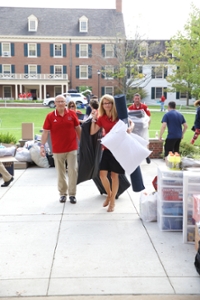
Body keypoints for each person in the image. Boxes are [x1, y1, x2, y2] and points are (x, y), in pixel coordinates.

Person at [90, 94, 133, 213]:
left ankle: (112, 201)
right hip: (107, 149)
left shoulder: (119, 116)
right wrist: (94, 119)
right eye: (104, 103)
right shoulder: (102, 117)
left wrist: (130, 129)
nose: (107, 105)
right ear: (102, 105)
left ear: (113, 104)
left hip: (119, 149)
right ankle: (109, 195)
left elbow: (130, 122)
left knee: (115, 176)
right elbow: (93, 131)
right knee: (102, 175)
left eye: (109, 103)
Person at [40, 95, 81, 204]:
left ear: (65, 103)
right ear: (55, 103)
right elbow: (45, 132)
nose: (60, 103)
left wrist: (82, 142)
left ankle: (72, 194)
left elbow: (78, 128)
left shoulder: (72, 114)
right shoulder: (50, 116)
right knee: (60, 172)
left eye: (62, 101)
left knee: (73, 170)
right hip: (57, 149)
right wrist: (42, 146)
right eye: (58, 101)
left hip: (71, 147)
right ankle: (63, 194)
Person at [128, 93, 151, 164]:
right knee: (134, 143)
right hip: (134, 128)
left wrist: (148, 126)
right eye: (135, 99)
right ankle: (135, 157)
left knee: (144, 142)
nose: (137, 100)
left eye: (138, 99)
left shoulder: (144, 106)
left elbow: (149, 117)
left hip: (142, 128)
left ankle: (147, 156)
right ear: (133, 99)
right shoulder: (130, 108)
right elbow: (128, 118)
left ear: (140, 99)